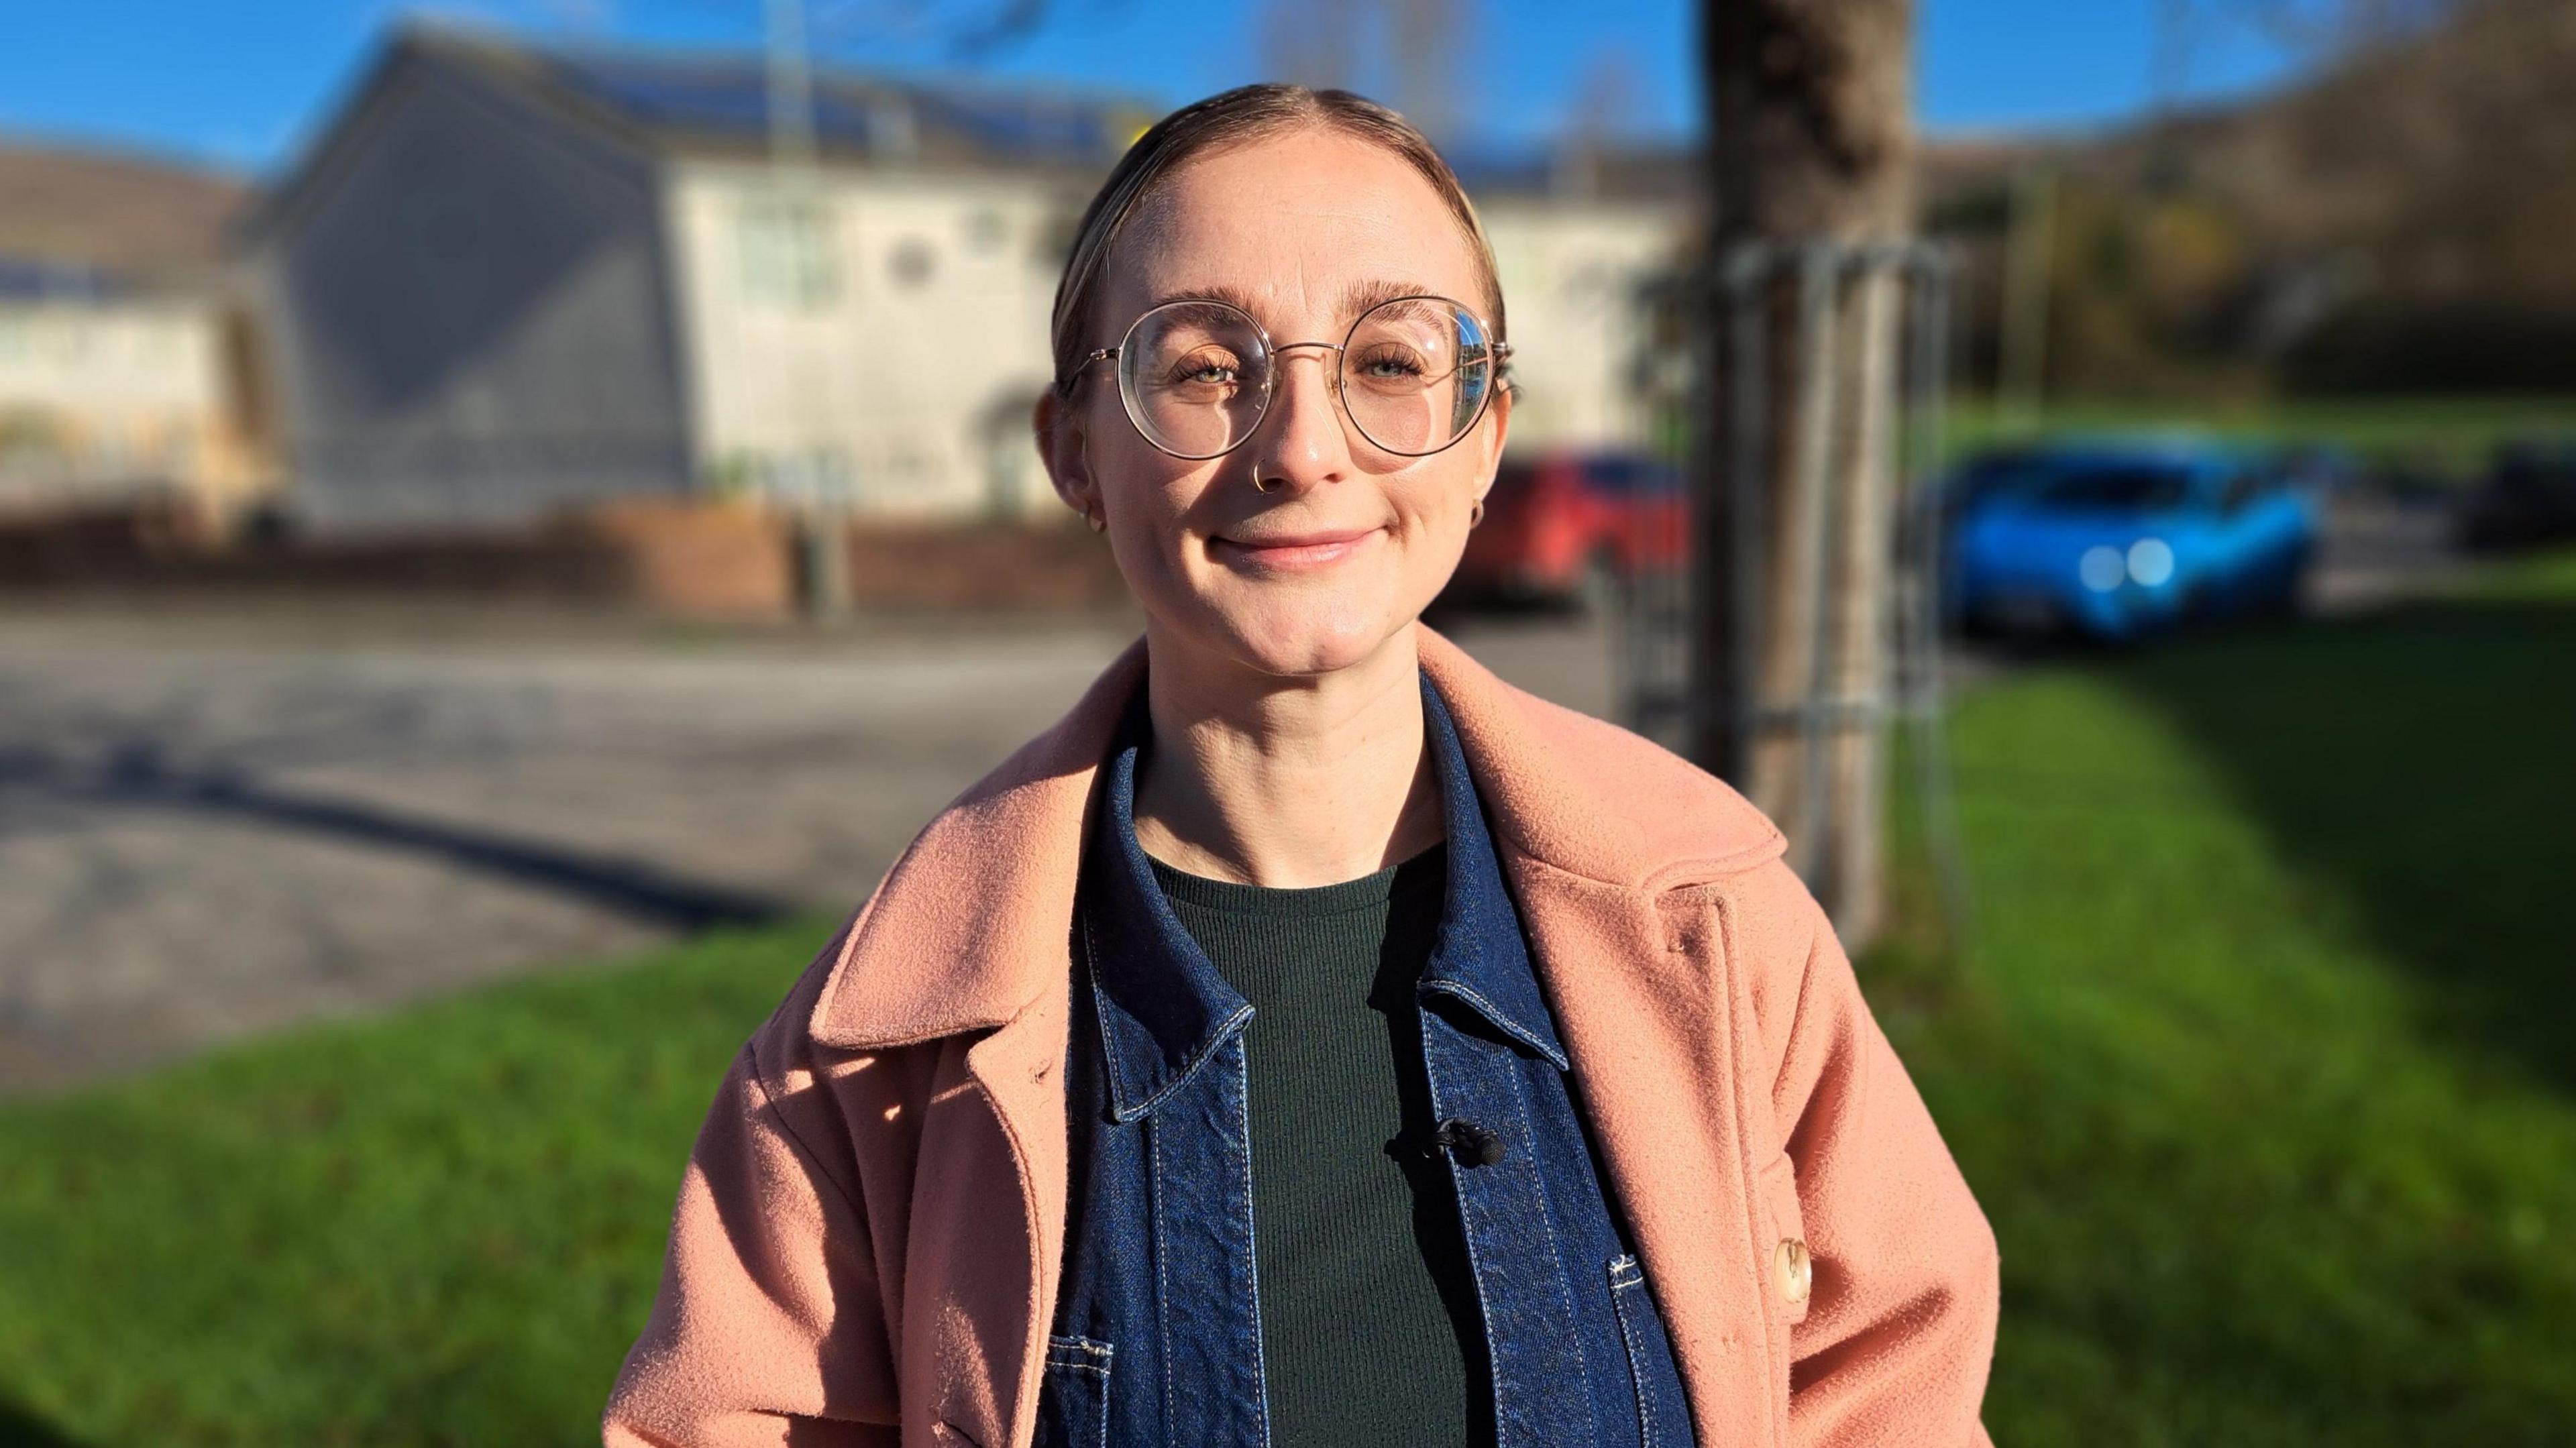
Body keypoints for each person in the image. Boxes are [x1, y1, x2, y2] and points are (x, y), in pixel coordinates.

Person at [603, 85, 1998, 1448]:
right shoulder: (875, 1055)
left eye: (1390, 360)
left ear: (1484, 445)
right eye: (1206, 368)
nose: (1303, 449)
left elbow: (1893, 1390)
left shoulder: (1715, 926)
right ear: (1074, 452)